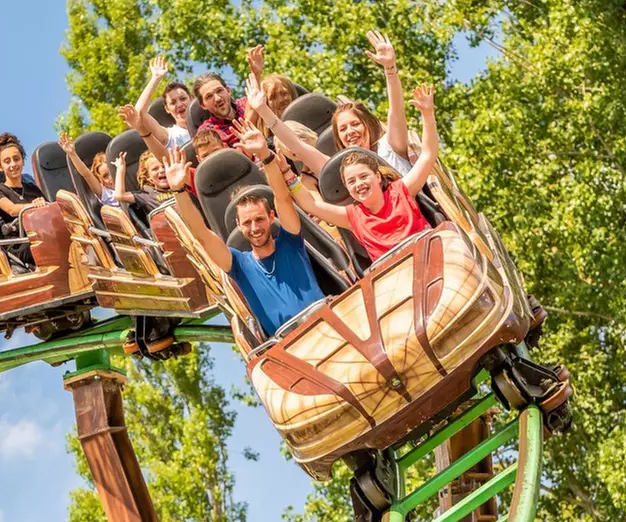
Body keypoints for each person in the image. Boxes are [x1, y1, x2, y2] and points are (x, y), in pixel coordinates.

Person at [162, 126, 324, 338]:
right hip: (290, 342)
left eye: (259, 219)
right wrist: (178, 191)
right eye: (247, 223)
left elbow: (282, 198)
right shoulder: (238, 264)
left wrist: (265, 156)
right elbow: (201, 233)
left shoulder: (291, 241)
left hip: (324, 321)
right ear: (239, 225)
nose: (255, 228)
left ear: (271, 217)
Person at [291, 84, 439, 261]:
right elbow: (311, 205)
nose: (359, 184)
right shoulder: (353, 216)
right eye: (351, 181)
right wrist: (284, 171)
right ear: (347, 188)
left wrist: (427, 114)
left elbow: (428, 155)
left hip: (429, 255)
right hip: (395, 271)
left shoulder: (401, 190)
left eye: (363, 177)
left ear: (377, 176)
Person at [330, 31, 412, 175]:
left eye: (355, 124)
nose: (350, 131)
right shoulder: (347, 173)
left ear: (367, 125)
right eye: (343, 129)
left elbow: (396, 111)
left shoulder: (388, 147)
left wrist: (389, 67)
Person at [0, 133, 46, 266]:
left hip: (41, 235)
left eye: (16, 159)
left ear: (23, 161)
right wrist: (34, 205)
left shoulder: (33, 189)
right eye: (7, 161)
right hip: (19, 245)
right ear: (0, 166)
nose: (13, 164)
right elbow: (12, 209)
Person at [133, 57, 192, 150]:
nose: (180, 104)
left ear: (191, 99)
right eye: (173, 102)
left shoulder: (208, 122)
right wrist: (156, 78)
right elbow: (139, 112)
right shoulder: (170, 135)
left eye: (183, 99)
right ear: (167, 109)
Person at [192, 72, 250, 148]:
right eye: (209, 96)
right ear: (203, 105)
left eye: (219, 91)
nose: (218, 99)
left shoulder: (247, 103)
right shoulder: (207, 132)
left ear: (228, 91)